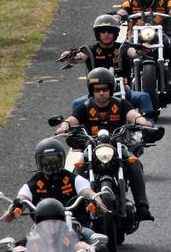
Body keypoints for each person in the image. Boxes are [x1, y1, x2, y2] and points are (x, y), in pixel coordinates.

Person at [0, 138, 109, 252]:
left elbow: (88, 191)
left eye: (54, 159)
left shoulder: (73, 179)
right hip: (42, 230)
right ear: (39, 162)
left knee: (92, 238)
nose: (50, 164)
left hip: (74, 227)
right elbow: (20, 199)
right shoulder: (33, 183)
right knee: (20, 250)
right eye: (46, 160)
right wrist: (14, 206)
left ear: (62, 159)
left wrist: (96, 201)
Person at [54, 67, 157, 222]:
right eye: (97, 90)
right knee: (79, 167)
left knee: (134, 163)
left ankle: (142, 206)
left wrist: (143, 121)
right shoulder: (86, 107)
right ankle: (78, 209)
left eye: (104, 89)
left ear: (110, 88)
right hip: (93, 147)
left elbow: (133, 115)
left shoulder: (121, 104)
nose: (101, 93)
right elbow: (72, 119)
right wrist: (64, 126)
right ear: (91, 90)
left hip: (117, 146)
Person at [59, 14, 152, 114]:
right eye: (103, 31)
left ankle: (148, 125)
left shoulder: (122, 47)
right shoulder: (91, 50)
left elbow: (132, 53)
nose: (106, 34)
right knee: (76, 104)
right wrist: (69, 56)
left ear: (115, 33)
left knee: (144, 97)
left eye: (110, 31)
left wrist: (142, 51)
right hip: (97, 92)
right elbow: (79, 57)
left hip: (123, 90)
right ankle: (79, 129)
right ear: (98, 33)